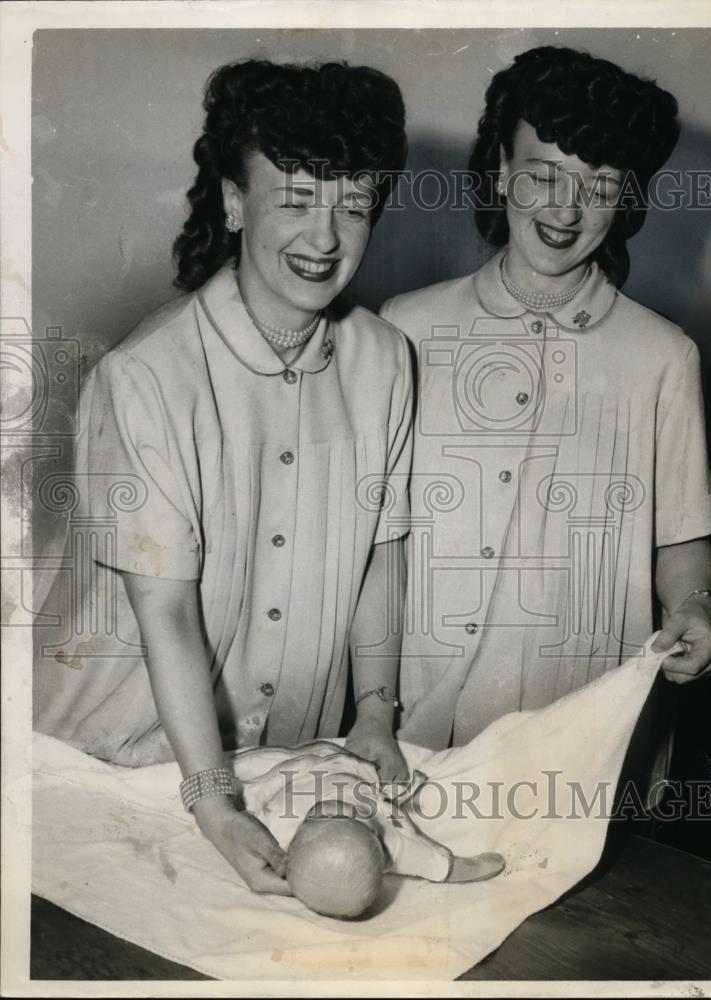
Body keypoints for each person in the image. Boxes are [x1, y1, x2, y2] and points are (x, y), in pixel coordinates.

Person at [33, 58, 412, 894]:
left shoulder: (385, 361)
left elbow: (381, 553)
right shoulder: (146, 377)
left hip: (273, 765)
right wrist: (212, 798)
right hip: (104, 762)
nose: (325, 237)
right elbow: (163, 612)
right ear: (235, 203)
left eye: (353, 206)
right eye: (297, 199)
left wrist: (377, 709)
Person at [380, 46, 711, 758]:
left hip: (577, 727)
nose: (564, 211)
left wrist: (696, 610)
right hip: (407, 714)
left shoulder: (662, 358)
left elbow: (681, 537)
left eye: (597, 187)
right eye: (541, 176)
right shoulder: (403, 328)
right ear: (500, 169)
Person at [232, 740, 505, 918]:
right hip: (353, 767)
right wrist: (473, 867)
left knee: (246, 767)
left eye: (317, 820)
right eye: (351, 819)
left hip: (294, 769)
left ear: (290, 853)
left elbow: (251, 807)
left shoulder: (278, 829)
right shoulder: (393, 843)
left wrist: (238, 795)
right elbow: (435, 863)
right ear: (377, 840)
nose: (334, 808)